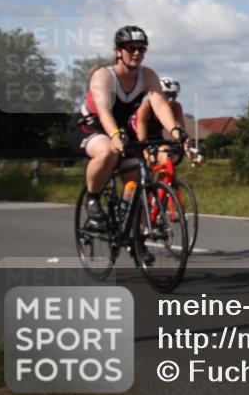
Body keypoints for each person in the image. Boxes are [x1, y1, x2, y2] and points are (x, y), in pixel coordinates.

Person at [68, 27, 187, 248]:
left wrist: (176, 130)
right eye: (131, 48)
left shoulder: (147, 76)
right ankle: (93, 198)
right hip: (90, 125)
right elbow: (103, 111)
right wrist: (113, 135)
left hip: (121, 130)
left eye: (142, 49)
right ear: (118, 51)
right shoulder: (104, 75)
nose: (137, 53)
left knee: (139, 174)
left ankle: (135, 234)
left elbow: (159, 105)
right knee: (107, 152)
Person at [132, 77, 192, 166]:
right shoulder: (145, 108)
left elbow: (180, 129)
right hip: (136, 137)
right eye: (167, 95)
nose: (171, 99)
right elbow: (141, 139)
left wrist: (186, 145)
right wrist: (146, 153)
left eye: (174, 95)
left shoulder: (176, 107)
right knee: (144, 166)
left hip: (156, 138)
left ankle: (165, 180)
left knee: (167, 155)